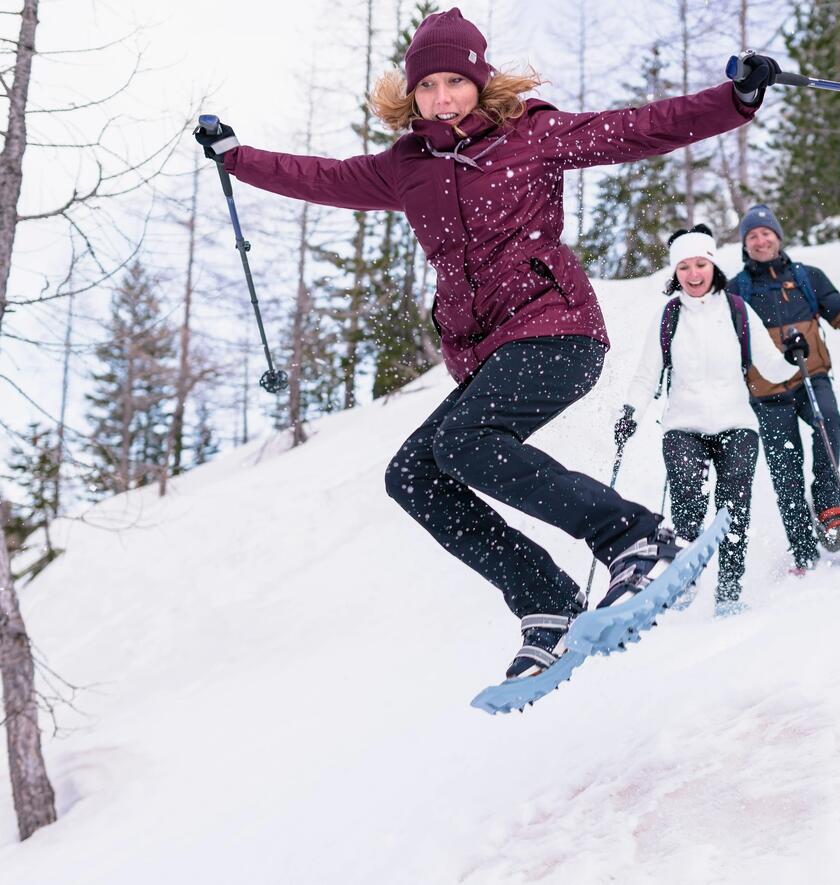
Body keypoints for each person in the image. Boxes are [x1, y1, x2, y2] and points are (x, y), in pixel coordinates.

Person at [194, 10, 779, 680]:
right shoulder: (405, 167)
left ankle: (636, 538)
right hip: (488, 353)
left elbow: (637, 127)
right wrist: (237, 157)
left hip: (557, 329)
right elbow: (323, 177)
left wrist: (735, 99)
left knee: (465, 443)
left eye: (455, 81)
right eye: (427, 85)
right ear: (412, 93)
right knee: (413, 476)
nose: (441, 97)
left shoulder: (531, 134)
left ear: (479, 81)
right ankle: (546, 600)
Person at [614, 224, 798, 616]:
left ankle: (729, 591)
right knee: (687, 507)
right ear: (675, 272)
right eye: (684, 267)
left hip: (737, 424)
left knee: (733, 511)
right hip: (683, 426)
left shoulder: (737, 310)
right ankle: (685, 578)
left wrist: (793, 357)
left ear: (713, 265)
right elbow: (646, 375)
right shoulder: (668, 316)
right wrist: (630, 412)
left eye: (700, 264)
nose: (693, 274)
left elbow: (771, 367)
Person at [727, 204, 840, 574]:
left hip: (810, 377)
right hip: (767, 393)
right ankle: (802, 548)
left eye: (766, 232)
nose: (760, 240)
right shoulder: (737, 290)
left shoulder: (806, 277)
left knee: (829, 421)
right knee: (785, 469)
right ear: (745, 245)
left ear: (778, 236)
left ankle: (830, 508)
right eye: (752, 236)